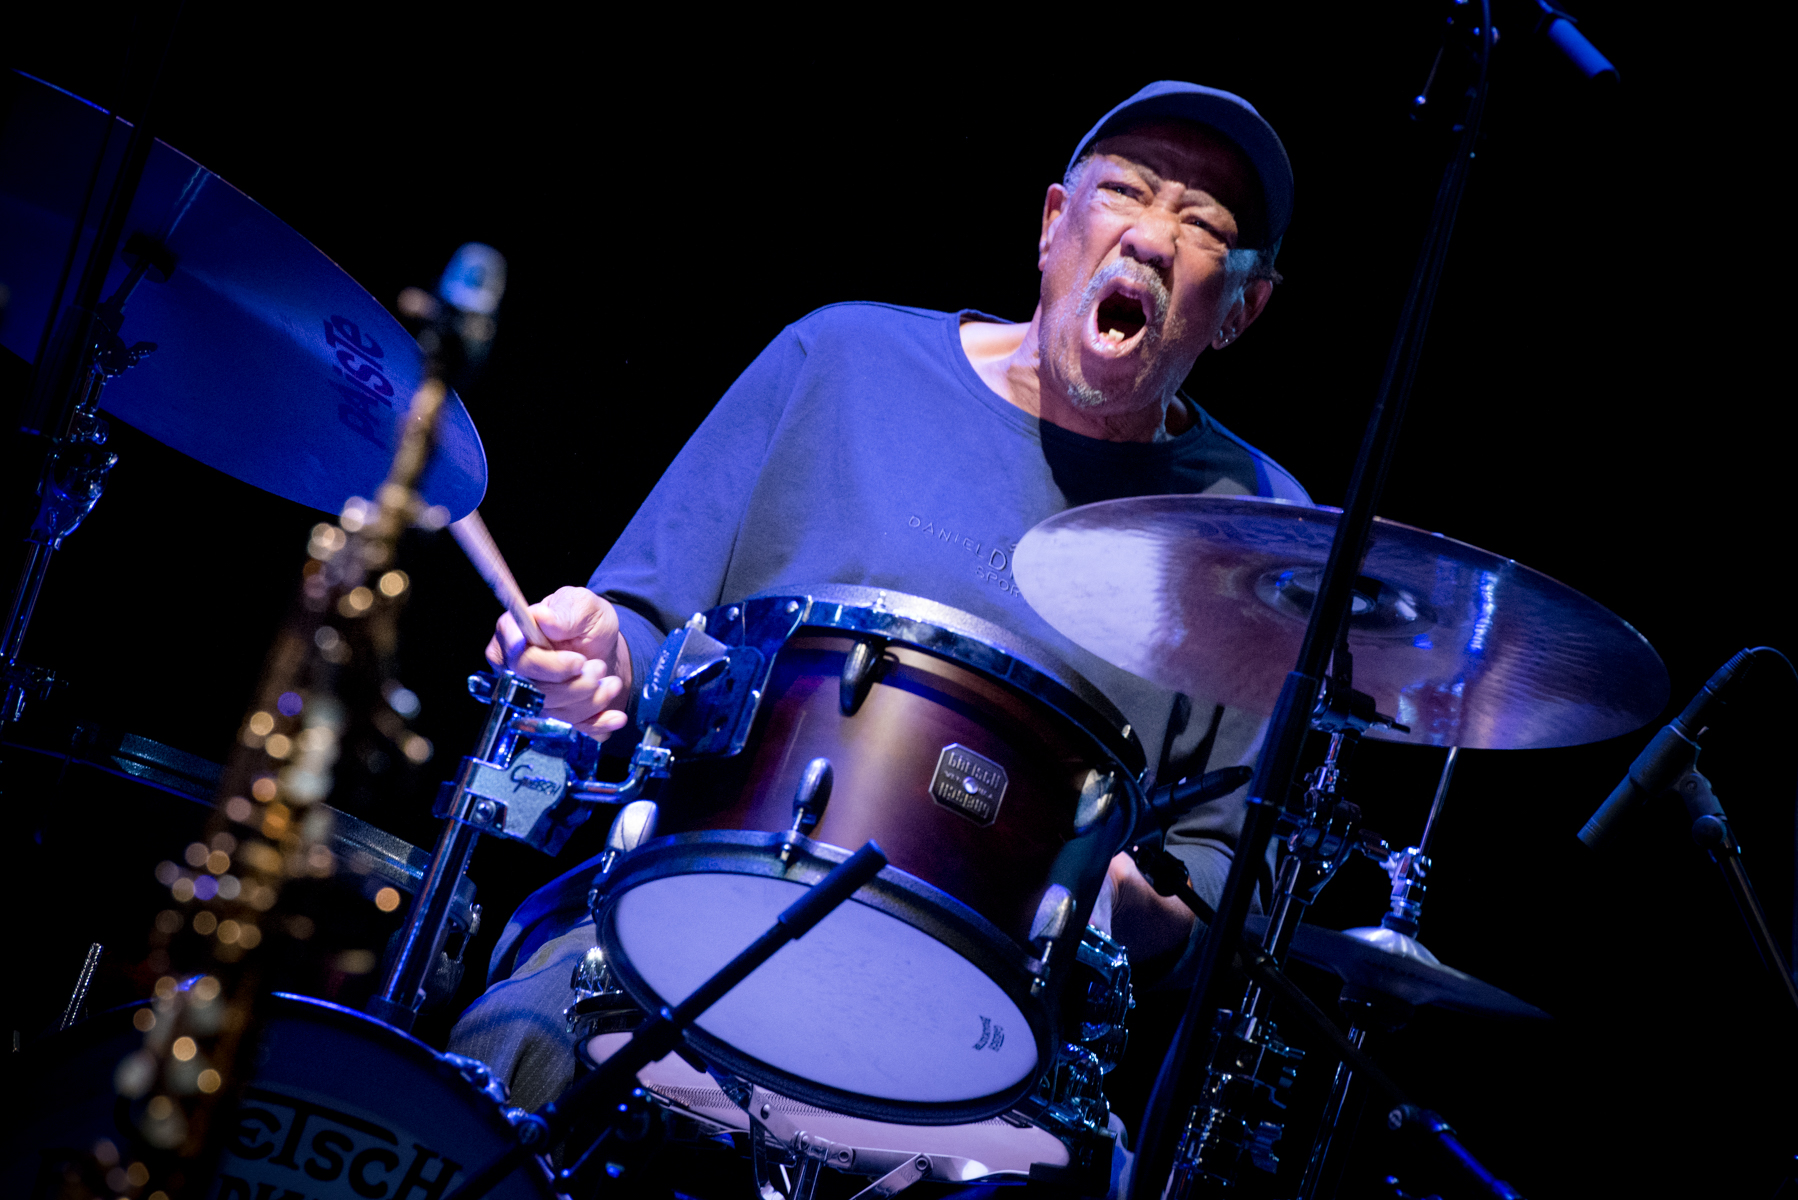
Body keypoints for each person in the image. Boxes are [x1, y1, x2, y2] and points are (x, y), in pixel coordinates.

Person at [448, 79, 1309, 1151]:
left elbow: (1232, 890)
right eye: (1124, 191)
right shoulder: (841, 361)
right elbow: (645, 624)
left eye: (1201, 225)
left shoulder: (1263, 539)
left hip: (989, 1049)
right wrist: (599, 657)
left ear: (1241, 307)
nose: (1148, 235)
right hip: (690, 921)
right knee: (501, 1062)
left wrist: (1112, 894)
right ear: (1051, 226)